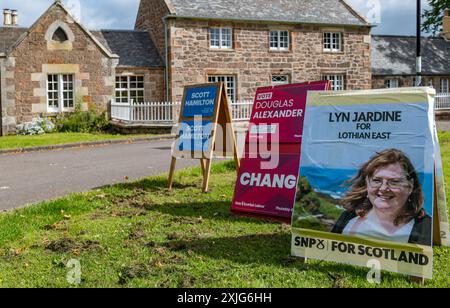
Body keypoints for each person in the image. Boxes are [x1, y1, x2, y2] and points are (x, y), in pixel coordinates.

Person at [332, 149, 432, 246]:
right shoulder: (348, 218)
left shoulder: (426, 228)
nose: (383, 188)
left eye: (394, 182)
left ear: (410, 186)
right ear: (367, 184)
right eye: (377, 180)